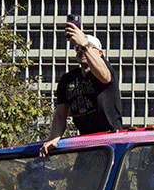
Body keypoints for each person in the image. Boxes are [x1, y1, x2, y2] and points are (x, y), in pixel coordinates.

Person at [41, 23, 122, 156]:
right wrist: (54, 137)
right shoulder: (68, 79)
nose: (81, 51)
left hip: (110, 139)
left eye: (88, 47)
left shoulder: (105, 68)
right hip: (85, 142)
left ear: (100, 53)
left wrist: (85, 45)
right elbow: (61, 115)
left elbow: (105, 77)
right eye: (77, 48)